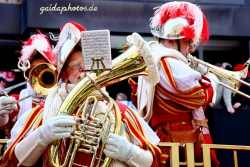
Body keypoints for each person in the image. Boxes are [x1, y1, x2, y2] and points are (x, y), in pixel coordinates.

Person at [2, 22, 161, 167]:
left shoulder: (121, 113)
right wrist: (41, 137)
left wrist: (130, 153)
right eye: (76, 65)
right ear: (64, 73)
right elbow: (12, 161)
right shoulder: (39, 115)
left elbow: (154, 162)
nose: (84, 70)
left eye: (88, 64)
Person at [131, 1, 220, 166]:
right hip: (181, 141)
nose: (191, 48)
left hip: (176, 137)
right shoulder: (168, 62)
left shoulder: (159, 59)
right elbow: (197, 96)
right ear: (171, 42)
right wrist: (212, 79)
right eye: (187, 41)